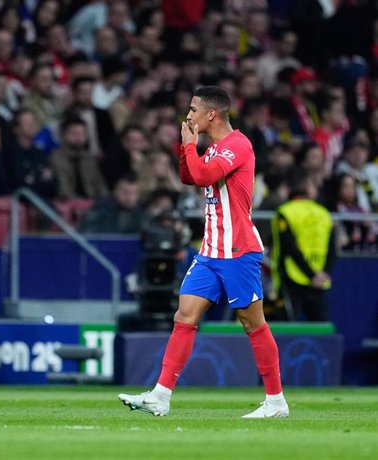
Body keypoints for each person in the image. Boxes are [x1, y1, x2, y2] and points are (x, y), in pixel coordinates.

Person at [118, 86, 289, 419]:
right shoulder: (211, 148)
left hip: (238, 250)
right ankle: (161, 396)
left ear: (212, 114)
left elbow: (203, 175)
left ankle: (276, 401)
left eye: (194, 109)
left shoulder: (237, 145)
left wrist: (189, 147)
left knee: (253, 324)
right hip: (211, 250)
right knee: (184, 317)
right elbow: (188, 176)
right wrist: (187, 148)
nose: (189, 114)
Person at [270, 173, 334, 321]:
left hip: (292, 277)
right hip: (319, 278)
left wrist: (311, 275)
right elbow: (332, 250)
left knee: (288, 330)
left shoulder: (285, 212)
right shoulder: (324, 213)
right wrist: (322, 274)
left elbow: (289, 247)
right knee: (320, 328)